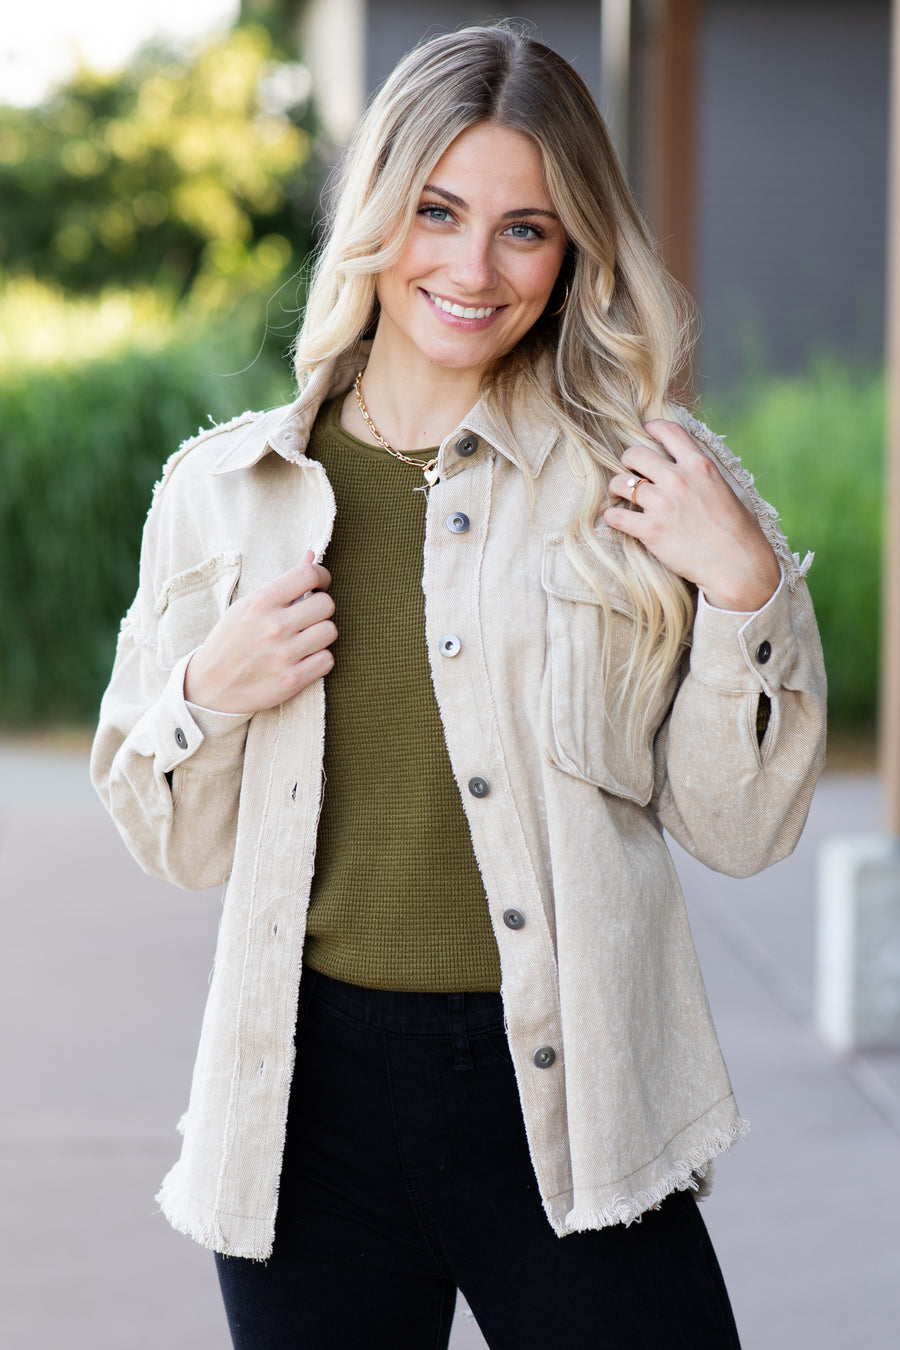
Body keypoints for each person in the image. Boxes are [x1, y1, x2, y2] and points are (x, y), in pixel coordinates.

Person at [91, 22, 826, 1350]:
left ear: (575, 249)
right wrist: (209, 683)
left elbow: (742, 825)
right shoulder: (226, 495)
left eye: (526, 229)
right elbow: (176, 841)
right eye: (438, 210)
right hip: (303, 1126)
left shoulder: (645, 484)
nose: (473, 268)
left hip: (579, 1104)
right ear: (378, 206)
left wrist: (743, 587)